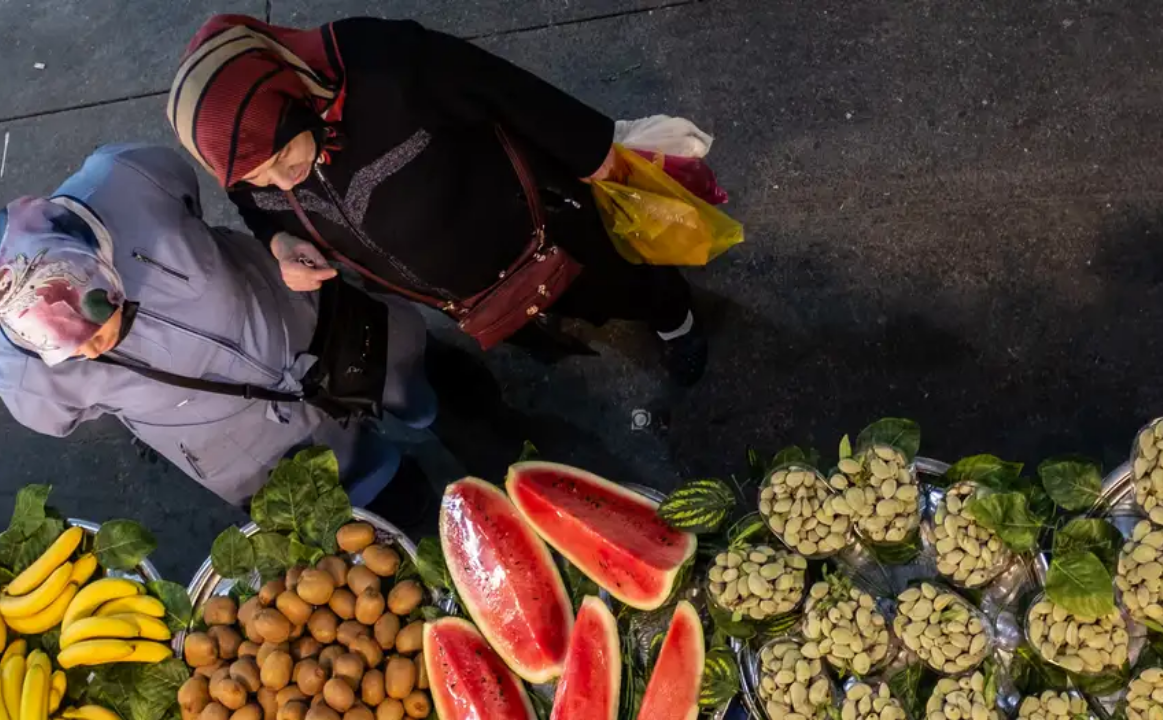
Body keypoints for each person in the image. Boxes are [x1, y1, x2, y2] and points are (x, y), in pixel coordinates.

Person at [166, 14, 707, 385]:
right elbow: (252, 204)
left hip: (535, 221)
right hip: (463, 294)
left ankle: (676, 319)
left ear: (291, 101)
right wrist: (279, 241)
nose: (284, 184)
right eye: (261, 178)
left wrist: (593, 153)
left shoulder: (387, 64)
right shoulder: (246, 158)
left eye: (283, 160)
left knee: (614, 281)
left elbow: (506, 90)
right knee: (551, 313)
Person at [0, 144, 437, 526]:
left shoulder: (127, 177)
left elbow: (189, 188)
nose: (97, 350)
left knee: (425, 380)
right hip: (245, 449)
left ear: (97, 259)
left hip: (323, 326)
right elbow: (60, 417)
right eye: (74, 352)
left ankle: (440, 404)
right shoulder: (23, 378)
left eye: (101, 315)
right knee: (380, 500)